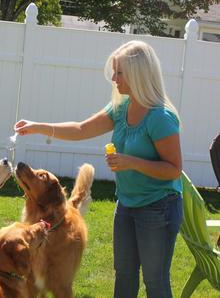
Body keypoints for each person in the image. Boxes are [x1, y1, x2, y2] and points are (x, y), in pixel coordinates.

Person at [13, 40, 182, 298]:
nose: (114, 78)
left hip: (158, 208)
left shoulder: (160, 118)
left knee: (155, 280)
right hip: (126, 204)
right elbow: (81, 129)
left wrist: (131, 162)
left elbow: (174, 169)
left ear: (138, 74)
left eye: (120, 72)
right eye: (114, 71)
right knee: (124, 275)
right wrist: (38, 126)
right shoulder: (121, 108)